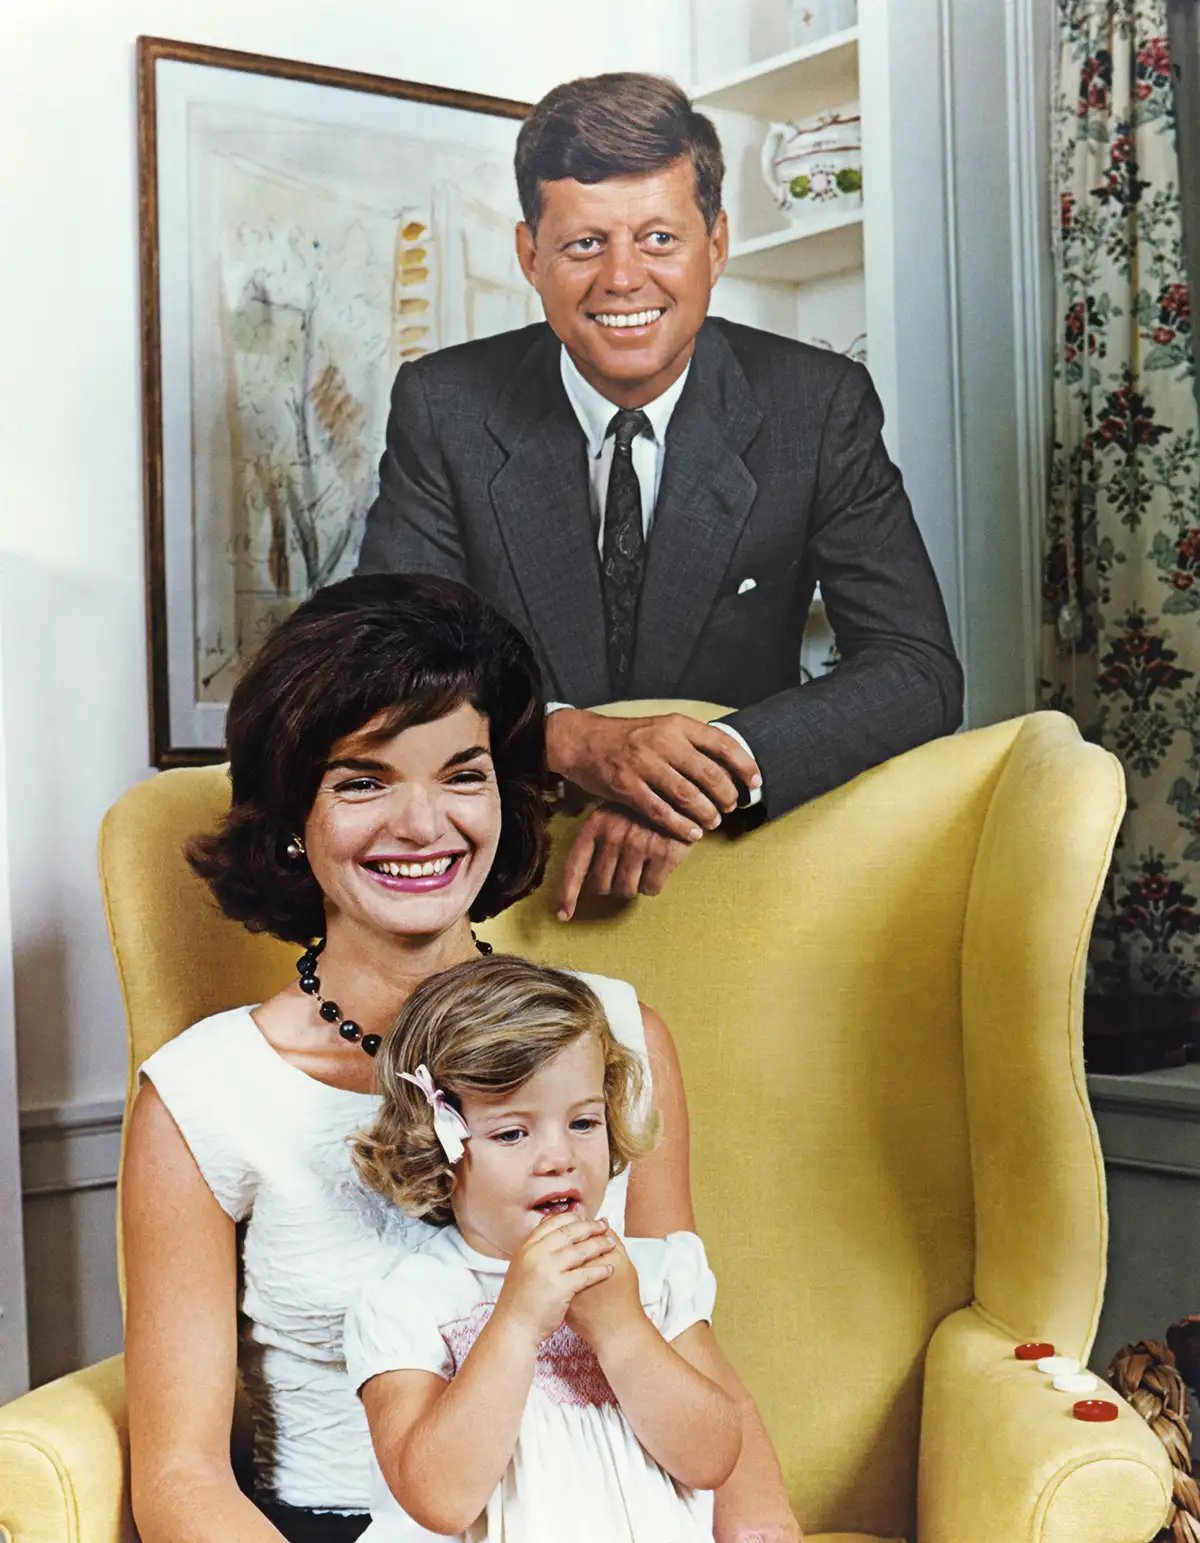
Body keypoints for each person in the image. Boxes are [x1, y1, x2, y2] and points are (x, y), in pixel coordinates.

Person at [121, 573, 801, 1543]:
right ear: (291, 813)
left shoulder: (618, 1038)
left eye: (462, 774)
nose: (421, 824)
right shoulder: (205, 1095)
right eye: (363, 780)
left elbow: (696, 1361)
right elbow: (182, 1477)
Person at [357, 72, 963, 919]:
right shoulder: (443, 405)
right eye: (584, 244)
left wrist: (698, 777)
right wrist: (569, 739)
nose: (622, 278)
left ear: (716, 244)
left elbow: (917, 669)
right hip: (508, 883)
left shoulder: (817, 405)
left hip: (741, 869)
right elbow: (383, 663)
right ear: (530, 255)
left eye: (658, 239)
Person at [345, 954, 740, 1541]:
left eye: (583, 1123)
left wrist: (622, 1329)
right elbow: (439, 1500)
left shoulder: (655, 1276)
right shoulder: (409, 1304)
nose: (560, 1158)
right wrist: (517, 1322)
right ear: (437, 1150)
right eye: (512, 1133)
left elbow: (712, 1459)